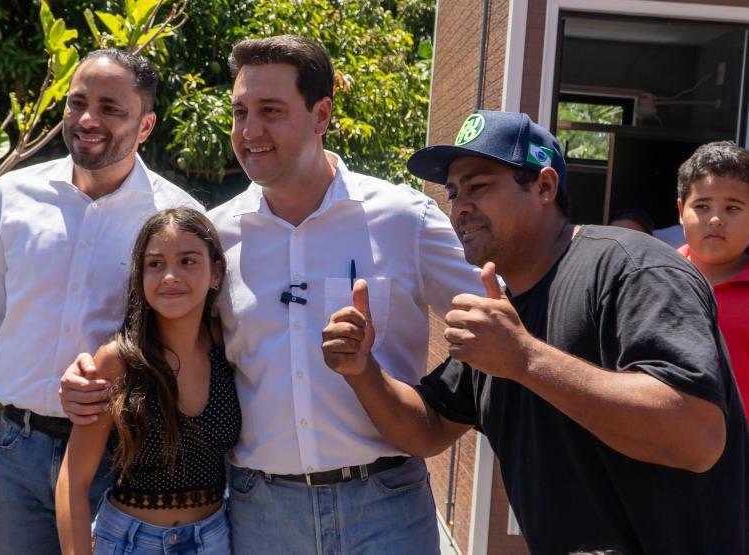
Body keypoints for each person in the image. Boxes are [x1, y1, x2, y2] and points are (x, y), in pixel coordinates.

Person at [60, 35, 481, 554]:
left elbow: (496, 325)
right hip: (262, 517)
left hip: (387, 506)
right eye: (239, 112)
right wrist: (90, 374)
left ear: (321, 114)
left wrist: (439, 419)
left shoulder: (404, 218)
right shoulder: (214, 238)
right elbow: (161, 339)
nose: (249, 131)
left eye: (270, 111)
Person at [322, 110, 749, 553]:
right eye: (453, 193)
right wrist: (362, 370)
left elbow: (697, 437)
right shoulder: (505, 315)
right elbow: (427, 428)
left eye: (479, 186)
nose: (461, 206)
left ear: (545, 187)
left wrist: (525, 359)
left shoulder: (633, 268)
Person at [0, 49, 202, 554]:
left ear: (145, 126)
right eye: (77, 102)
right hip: (18, 449)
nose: (87, 119)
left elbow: (190, 346)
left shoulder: (178, 218)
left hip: (125, 455)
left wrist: (120, 382)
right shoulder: (11, 196)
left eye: (109, 108)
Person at [56, 208, 239, 555]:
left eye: (187, 261)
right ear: (140, 275)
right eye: (155, 264)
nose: (170, 276)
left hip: (214, 540)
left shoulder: (226, 344)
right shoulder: (117, 361)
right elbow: (73, 481)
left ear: (216, 273)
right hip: (128, 542)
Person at [677, 141, 749, 423]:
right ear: (681, 210)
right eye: (703, 206)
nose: (716, 219)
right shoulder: (651, 278)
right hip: (661, 452)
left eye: (732, 207)